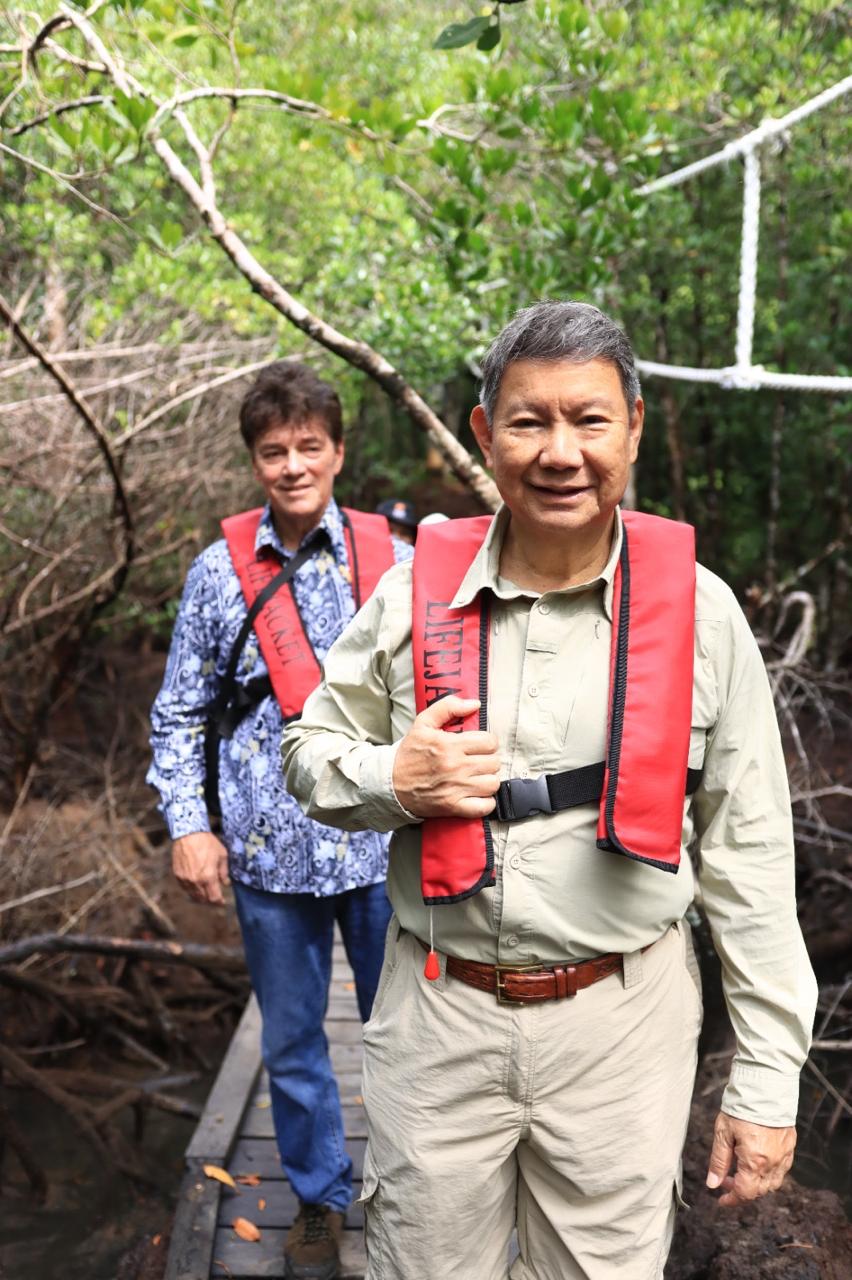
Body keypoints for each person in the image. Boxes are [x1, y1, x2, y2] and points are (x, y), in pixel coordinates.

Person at [281, 303, 818, 1280]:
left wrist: (769, 1078)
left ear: (636, 429)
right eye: (529, 422)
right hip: (438, 1017)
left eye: (590, 420)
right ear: (486, 435)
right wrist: (391, 779)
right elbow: (308, 750)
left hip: (624, 1022)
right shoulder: (410, 597)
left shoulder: (702, 615)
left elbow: (750, 855)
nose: (561, 452)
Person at [147, 360, 413, 1280]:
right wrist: (190, 825)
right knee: (295, 1046)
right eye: (273, 452)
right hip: (267, 854)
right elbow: (179, 713)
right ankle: (319, 1202)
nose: (293, 466)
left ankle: (414, 1196)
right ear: (254, 462)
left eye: (309, 447)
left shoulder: (398, 561)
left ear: (339, 452)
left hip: (387, 847)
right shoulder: (219, 573)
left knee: (412, 1035)